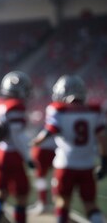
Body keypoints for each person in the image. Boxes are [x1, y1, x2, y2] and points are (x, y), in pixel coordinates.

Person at [32, 75, 107, 223]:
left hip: (65, 165)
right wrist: (104, 163)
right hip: (87, 165)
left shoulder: (58, 110)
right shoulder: (94, 111)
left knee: (62, 202)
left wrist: (34, 142)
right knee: (90, 204)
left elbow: (48, 132)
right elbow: (103, 140)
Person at [0, 71, 33, 223]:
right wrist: (28, 157)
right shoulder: (16, 107)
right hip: (13, 154)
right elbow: (17, 136)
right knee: (21, 197)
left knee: (0, 193)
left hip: (0, 152)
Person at [28, 133, 56, 214]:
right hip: (56, 148)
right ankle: (45, 202)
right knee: (52, 178)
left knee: (41, 178)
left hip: (42, 147)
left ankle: (43, 203)